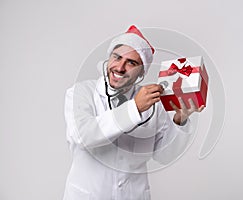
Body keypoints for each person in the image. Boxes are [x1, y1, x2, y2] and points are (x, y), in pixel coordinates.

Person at [63, 25, 204, 200]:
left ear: (141, 73)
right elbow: (82, 136)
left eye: (131, 62)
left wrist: (179, 120)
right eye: (117, 57)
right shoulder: (81, 92)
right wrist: (134, 108)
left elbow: (164, 156)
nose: (120, 67)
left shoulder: (152, 101)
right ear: (108, 59)